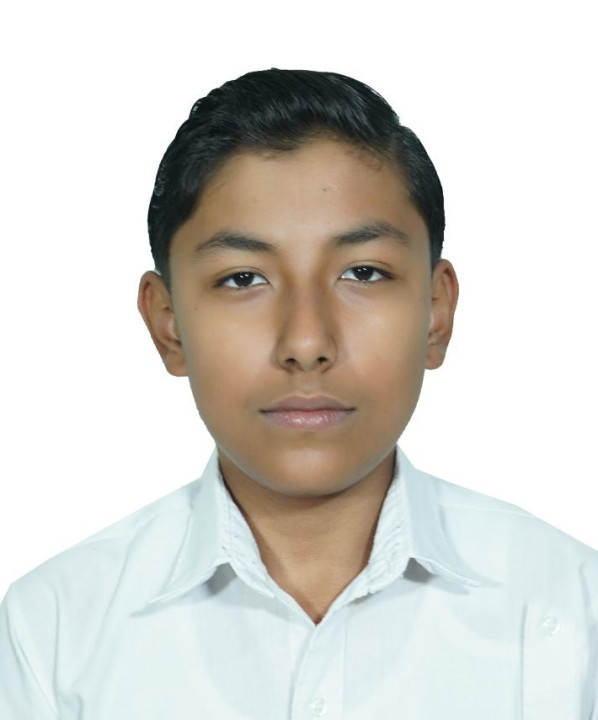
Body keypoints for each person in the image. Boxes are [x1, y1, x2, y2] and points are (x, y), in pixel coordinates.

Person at [1, 67, 596, 719]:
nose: (307, 342)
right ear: (168, 324)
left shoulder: (572, 607)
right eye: (243, 279)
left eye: (363, 272)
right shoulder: (53, 631)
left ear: (436, 313)